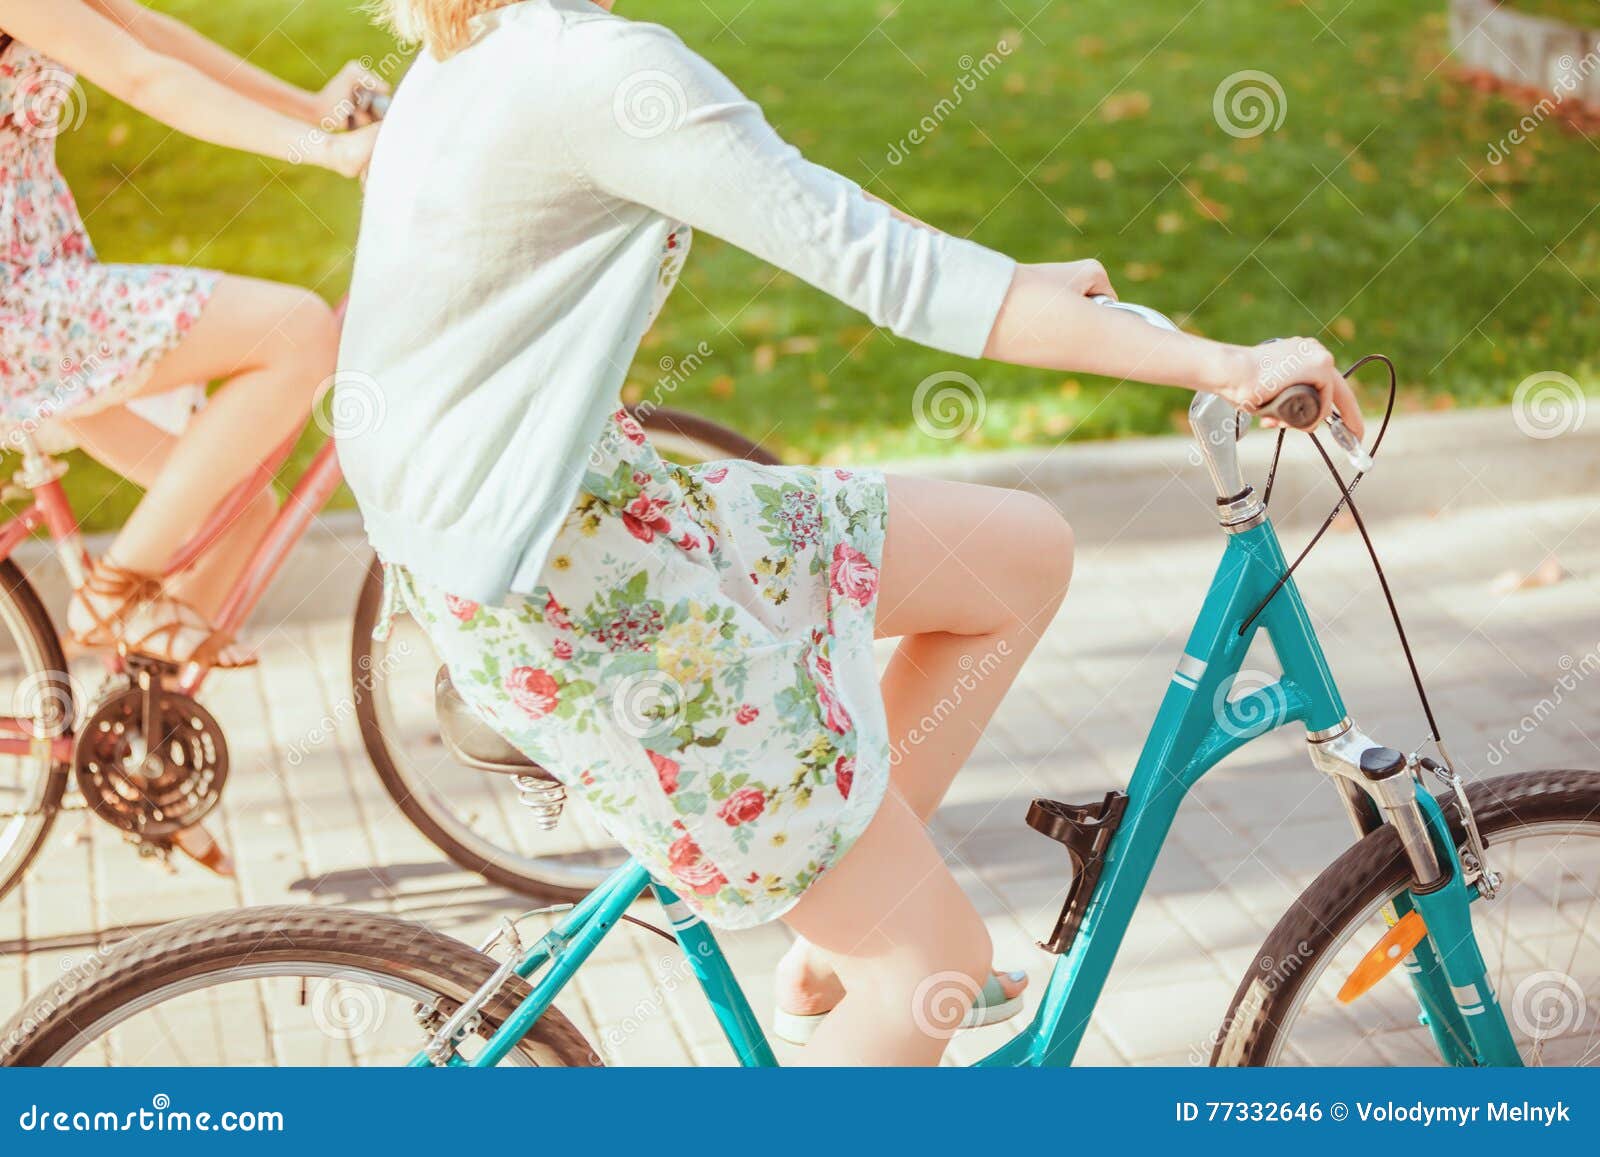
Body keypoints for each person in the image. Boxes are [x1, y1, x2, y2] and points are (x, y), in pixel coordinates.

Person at [338, 0, 1365, 1065]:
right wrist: (1225, 364)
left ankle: (830, 955)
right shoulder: (592, 67)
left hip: (590, 520)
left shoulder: (484, 52)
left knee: (1016, 556)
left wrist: (1011, 278)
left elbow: (799, 200)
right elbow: (892, 280)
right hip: (571, 590)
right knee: (929, 970)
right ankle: (874, 962)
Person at [0, 0, 380, 666]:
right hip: (24, 310)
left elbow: (146, 33)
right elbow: (144, 76)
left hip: (44, 284)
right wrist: (328, 151)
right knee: (296, 333)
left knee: (239, 501)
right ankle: (115, 591)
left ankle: (143, 727)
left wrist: (310, 106)